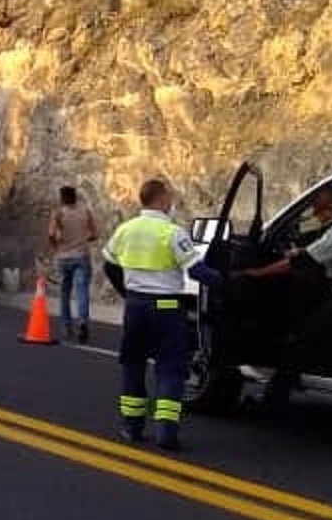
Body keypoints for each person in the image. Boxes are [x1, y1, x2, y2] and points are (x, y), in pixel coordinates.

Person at [102, 178, 222, 450]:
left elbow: (109, 266)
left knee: (133, 365)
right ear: (161, 199)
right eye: (169, 197)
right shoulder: (172, 232)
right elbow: (197, 271)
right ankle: (166, 434)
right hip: (167, 310)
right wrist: (228, 280)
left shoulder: (125, 229)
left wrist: (127, 292)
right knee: (170, 369)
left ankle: (131, 428)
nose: (172, 202)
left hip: (135, 306)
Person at [236, 187, 332, 406]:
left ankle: (273, 400)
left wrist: (258, 273)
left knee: (301, 339)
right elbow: (313, 247)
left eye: (318, 211)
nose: (316, 216)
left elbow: (301, 261)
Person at [48, 185, 99, 342]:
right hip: (81, 256)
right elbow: (95, 234)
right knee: (81, 291)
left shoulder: (58, 213)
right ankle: (82, 321)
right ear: (75, 196)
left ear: (62, 198)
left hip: (63, 257)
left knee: (65, 292)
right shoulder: (86, 211)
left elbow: (51, 234)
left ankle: (66, 326)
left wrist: (56, 246)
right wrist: (84, 240)